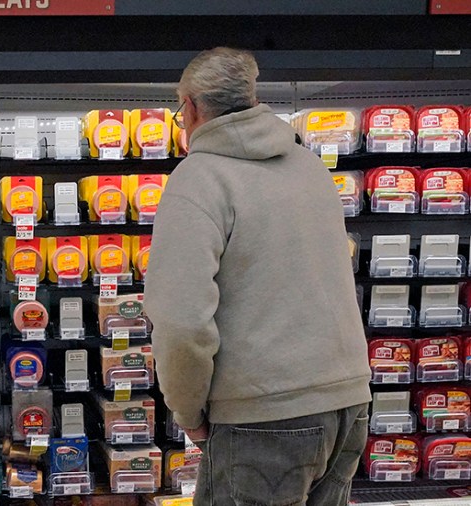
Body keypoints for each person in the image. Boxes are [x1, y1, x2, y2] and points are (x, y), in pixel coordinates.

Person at [144, 47, 372, 506]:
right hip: (348, 402)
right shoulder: (309, 167)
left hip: (265, 416)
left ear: (190, 107)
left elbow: (182, 319)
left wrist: (187, 411)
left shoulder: (199, 178)